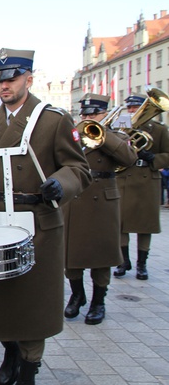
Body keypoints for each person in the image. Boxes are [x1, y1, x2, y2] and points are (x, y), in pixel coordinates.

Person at [0, 48, 91, 385]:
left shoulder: (54, 119)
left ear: (29, 79)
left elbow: (78, 167)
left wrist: (60, 183)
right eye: (0, 78)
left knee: (33, 303)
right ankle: (10, 350)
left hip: (39, 224)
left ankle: (30, 366)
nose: (4, 84)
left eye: (12, 77)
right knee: (0, 300)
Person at [63, 94, 136, 325]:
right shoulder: (73, 135)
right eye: (85, 114)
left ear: (105, 114)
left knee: (101, 256)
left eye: (93, 114)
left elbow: (129, 158)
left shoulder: (118, 136)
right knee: (71, 255)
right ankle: (77, 294)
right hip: (76, 198)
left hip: (102, 199)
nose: (87, 118)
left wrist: (104, 137)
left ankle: (98, 301)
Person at [114, 93, 169, 280]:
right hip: (124, 178)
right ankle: (123, 261)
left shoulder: (158, 129)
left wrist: (154, 158)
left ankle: (142, 264)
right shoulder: (120, 125)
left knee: (146, 225)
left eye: (135, 108)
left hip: (147, 178)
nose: (131, 111)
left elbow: (168, 154)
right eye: (129, 108)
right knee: (122, 223)